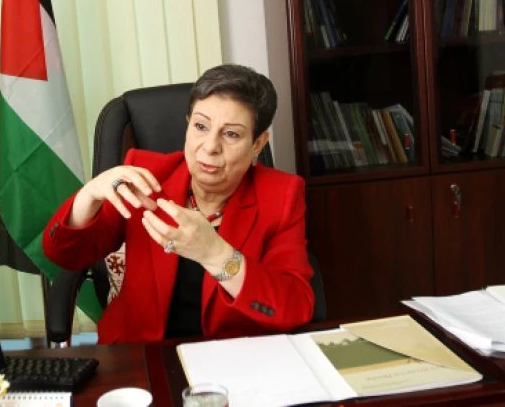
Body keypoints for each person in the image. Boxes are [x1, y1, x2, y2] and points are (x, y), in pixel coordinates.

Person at [42, 64, 315, 344]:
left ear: (257, 144)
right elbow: (65, 255)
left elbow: (295, 306)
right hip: (142, 353)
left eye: (231, 134)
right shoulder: (145, 176)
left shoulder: (281, 195)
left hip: (234, 357)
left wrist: (215, 254)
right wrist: (88, 196)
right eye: (200, 126)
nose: (210, 147)